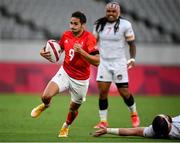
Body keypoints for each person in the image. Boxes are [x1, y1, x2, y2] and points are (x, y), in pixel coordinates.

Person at [30, 11, 99, 138]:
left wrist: (82, 52)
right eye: (71, 23)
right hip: (65, 72)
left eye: (75, 24)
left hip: (81, 80)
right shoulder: (66, 35)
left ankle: (65, 127)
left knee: (73, 109)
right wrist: (44, 52)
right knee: (45, 96)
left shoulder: (89, 38)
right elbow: (58, 50)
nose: (72, 26)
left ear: (83, 24)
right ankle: (46, 105)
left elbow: (97, 61)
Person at [93, 1, 140, 129]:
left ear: (118, 12)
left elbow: (132, 44)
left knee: (124, 92)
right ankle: (103, 122)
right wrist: (92, 54)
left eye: (114, 11)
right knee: (103, 93)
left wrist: (132, 59)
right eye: (109, 11)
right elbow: (93, 42)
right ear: (105, 12)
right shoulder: (99, 24)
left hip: (119, 63)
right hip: (104, 63)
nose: (111, 13)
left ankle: (134, 113)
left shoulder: (125, 25)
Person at [93, 114, 180, 139]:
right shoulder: (176, 127)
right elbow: (131, 131)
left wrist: (107, 130)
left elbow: (132, 131)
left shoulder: (153, 132)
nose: (163, 115)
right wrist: (107, 130)